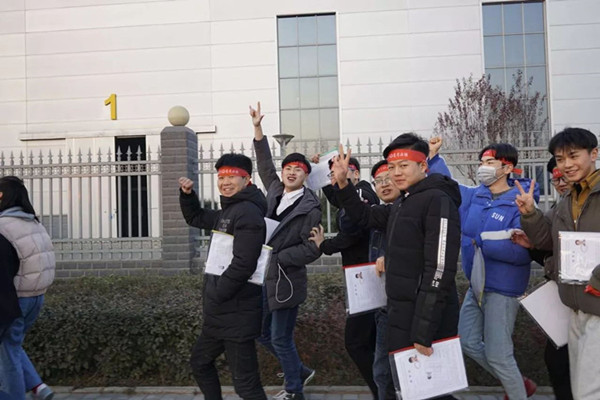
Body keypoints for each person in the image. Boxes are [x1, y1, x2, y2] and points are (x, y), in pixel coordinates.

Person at [330, 133, 461, 400]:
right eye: (392, 167)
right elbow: (364, 216)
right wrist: (343, 184)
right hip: (400, 312)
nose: (396, 173)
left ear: (423, 166)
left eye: (404, 165)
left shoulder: (437, 200)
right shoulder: (403, 202)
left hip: (426, 318)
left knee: (431, 392)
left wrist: (423, 330)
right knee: (404, 386)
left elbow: (439, 268)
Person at [429, 138, 539, 400]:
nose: (483, 167)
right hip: (477, 285)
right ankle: (517, 383)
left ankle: (516, 388)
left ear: (507, 168)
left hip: (503, 289)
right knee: (467, 341)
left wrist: (484, 243)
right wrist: (433, 158)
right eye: (482, 162)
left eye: (490, 162)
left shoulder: (521, 202)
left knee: (499, 356)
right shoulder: (475, 196)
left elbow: (524, 252)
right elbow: (447, 184)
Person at [516, 127, 600, 400]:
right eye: (561, 159)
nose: (566, 165)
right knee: (578, 387)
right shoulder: (568, 198)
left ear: (594, 154)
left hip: (596, 304)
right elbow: (545, 239)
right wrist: (530, 214)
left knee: (589, 392)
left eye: (573, 156)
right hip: (576, 307)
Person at [179, 154, 268, 400]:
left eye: (232, 177)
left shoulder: (247, 212)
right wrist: (187, 195)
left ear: (247, 180)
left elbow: (244, 263)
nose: (225, 182)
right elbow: (196, 217)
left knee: (246, 387)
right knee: (200, 362)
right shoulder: (230, 210)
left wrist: (218, 293)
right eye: (221, 177)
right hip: (221, 314)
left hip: (236, 312)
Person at [250, 103, 321, 400]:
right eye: (288, 168)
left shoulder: (311, 207)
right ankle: (300, 372)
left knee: (280, 337)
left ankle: (294, 390)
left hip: (287, 279)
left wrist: (279, 258)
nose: (292, 172)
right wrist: (258, 129)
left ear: (306, 176)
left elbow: (312, 249)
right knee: (261, 332)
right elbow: (264, 164)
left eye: (298, 170)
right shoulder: (275, 190)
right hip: (263, 276)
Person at [309, 155, 379, 399]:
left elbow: (352, 232)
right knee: (370, 340)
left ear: (356, 173)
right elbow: (338, 197)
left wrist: (324, 246)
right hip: (361, 275)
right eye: (332, 173)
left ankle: (384, 392)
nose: (335, 176)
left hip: (366, 277)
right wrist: (319, 168)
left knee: (356, 342)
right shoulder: (354, 193)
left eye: (341, 170)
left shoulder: (362, 194)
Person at [511, 156, 573, 400]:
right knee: (557, 361)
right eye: (555, 178)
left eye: (564, 176)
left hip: (588, 297)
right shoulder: (559, 208)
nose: (561, 182)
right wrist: (533, 246)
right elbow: (552, 252)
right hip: (563, 297)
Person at [0, 176, 56, 400]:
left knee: (8, 350)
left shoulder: (3, 227)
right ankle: (39, 388)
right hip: (36, 297)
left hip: (14, 300)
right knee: (11, 344)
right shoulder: (34, 223)